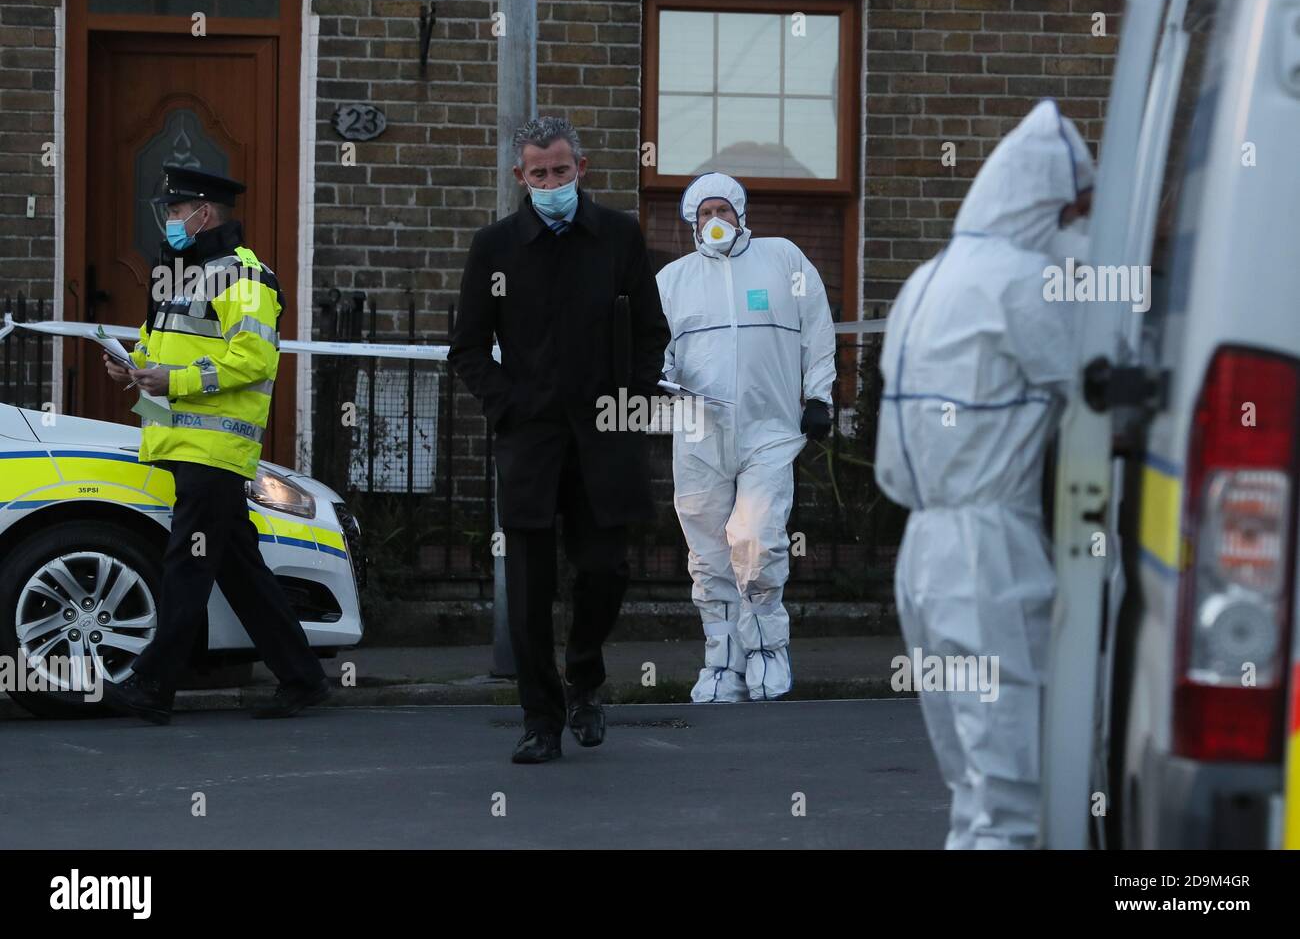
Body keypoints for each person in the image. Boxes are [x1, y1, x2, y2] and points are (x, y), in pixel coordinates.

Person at [874, 100, 1096, 848]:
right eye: (1079, 211)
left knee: (972, 782)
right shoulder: (1026, 283)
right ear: (1048, 205)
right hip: (989, 553)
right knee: (1016, 786)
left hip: (924, 554)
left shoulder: (927, 280)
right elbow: (1104, 389)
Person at [449, 117, 670, 764]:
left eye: (561, 171)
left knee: (606, 570)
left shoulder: (618, 237)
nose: (551, 183)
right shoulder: (494, 248)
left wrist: (631, 397)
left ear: (582, 169)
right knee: (527, 588)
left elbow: (652, 330)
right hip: (530, 439)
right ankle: (539, 719)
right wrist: (508, 406)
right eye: (539, 173)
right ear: (521, 177)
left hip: (605, 434)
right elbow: (466, 347)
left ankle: (585, 677)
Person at [102, 163, 329, 724]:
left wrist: (172, 382)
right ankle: (302, 678)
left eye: (176, 211)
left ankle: (154, 684)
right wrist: (133, 370)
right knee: (235, 566)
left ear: (204, 213)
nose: (170, 221)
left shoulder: (246, 276)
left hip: (215, 451)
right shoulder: (180, 272)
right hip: (185, 445)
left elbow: (253, 360)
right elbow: (163, 353)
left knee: (187, 564)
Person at [656, 172, 836, 703]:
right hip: (699, 432)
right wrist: (657, 380)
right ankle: (721, 661)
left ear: (740, 213)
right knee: (708, 551)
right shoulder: (672, 279)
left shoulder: (784, 259)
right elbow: (655, 345)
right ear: (692, 221)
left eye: (723, 211)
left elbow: (817, 326)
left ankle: (766, 652)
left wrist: (819, 395)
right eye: (704, 213)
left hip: (769, 429)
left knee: (757, 539)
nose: (715, 221)